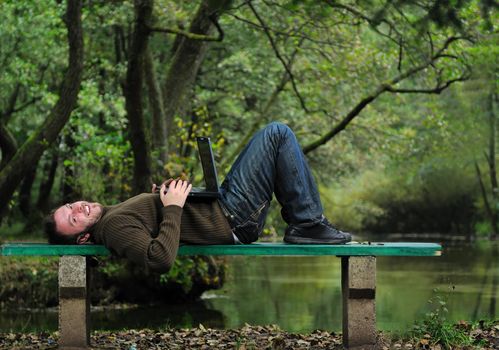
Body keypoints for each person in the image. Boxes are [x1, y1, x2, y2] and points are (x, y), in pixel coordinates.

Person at [45, 122, 352, 273]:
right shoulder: (112, 229)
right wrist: (174, 207)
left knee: (275, 138)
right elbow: (158, 259)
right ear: (83, 238)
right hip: (231, 217)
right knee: (277, 134)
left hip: (222, 206)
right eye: (74, 218)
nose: (79, 207)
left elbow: (157, 223)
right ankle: (308, 224)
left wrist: (169, 197)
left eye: (71, 205)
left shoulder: (112, 215)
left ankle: (306, 223)